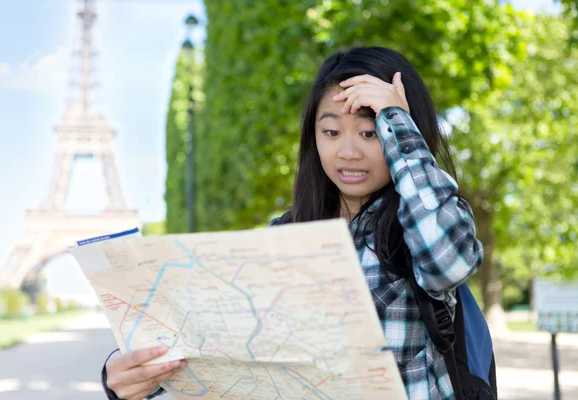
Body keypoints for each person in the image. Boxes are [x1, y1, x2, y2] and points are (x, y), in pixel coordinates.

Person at [101, 46, 483, 400]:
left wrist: (396, 120)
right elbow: (221, 353)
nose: (348, 152)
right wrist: (131, 378)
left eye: (370, 132)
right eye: (331, 132)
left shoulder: (422, 224)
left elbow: (448, 260)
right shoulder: (281, 240)